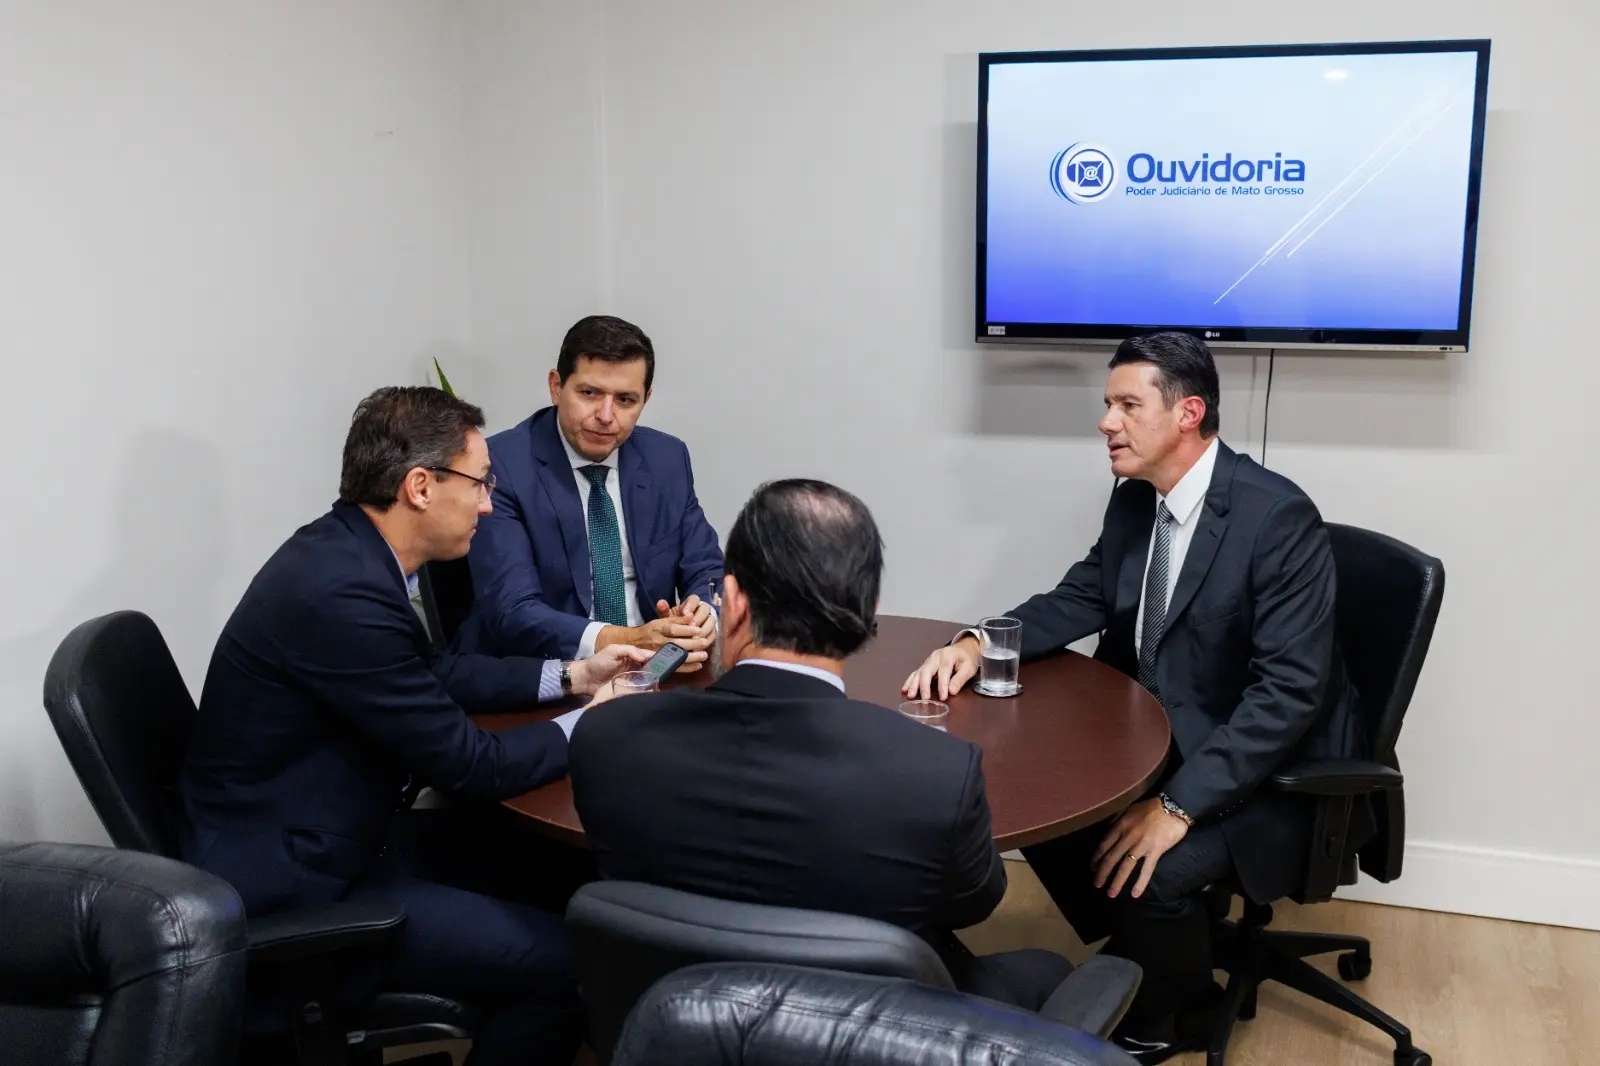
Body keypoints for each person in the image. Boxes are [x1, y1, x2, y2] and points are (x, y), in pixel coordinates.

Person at [903, 332, 1362, 1063]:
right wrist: (974, 643)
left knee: (1153, 869)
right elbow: (1080, 595)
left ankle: (1171, 1014)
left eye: (1125, 404)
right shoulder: (1134, 501)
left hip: (1262, 764)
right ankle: (1149, 947)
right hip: (1162, 734)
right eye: (1106, 404)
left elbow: (1287, 695)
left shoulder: (1274, 519)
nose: (1105, 421)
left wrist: (1176, 807)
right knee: (1044, 806)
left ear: (1188, 412)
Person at [179, 386, 648, 1066]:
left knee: (563, 880)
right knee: (566, 969)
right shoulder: (343, 596)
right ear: (421, 486)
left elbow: (436, 674)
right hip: (303, 890)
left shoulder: (344, 553)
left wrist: (577, 676)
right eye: (482, 483)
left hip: (328, 830)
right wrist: (591, 722)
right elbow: (473, 768)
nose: (489, 503)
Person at [570, 479, 1076, 1012]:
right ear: (867, 611)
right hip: (865, 1028)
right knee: (1048, 971)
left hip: (671, 1016)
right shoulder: (937, 774)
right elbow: (974, 900)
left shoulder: (606, 737)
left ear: (734, 602)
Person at [461, 314, 723, 668]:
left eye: (625, 400)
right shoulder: (502, 465)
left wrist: (701, 615)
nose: (605, 415)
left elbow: (705, 566)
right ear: (556, 386)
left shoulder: (667, 459)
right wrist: (628, 640)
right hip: (553, 674)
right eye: (589, 393)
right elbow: (513, 611)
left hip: (656, 670)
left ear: (646, 399)